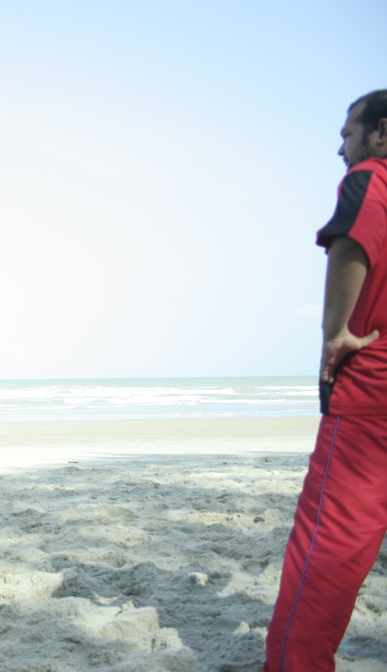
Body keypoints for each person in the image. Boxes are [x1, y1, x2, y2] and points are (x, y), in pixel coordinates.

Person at [263, 89, 387, 672]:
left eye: (347, 134)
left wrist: (335, 333)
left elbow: (353, 237)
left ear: (381, 133)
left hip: (371, 397)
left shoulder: (370, 178)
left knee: (328, 550)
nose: (341, 149)